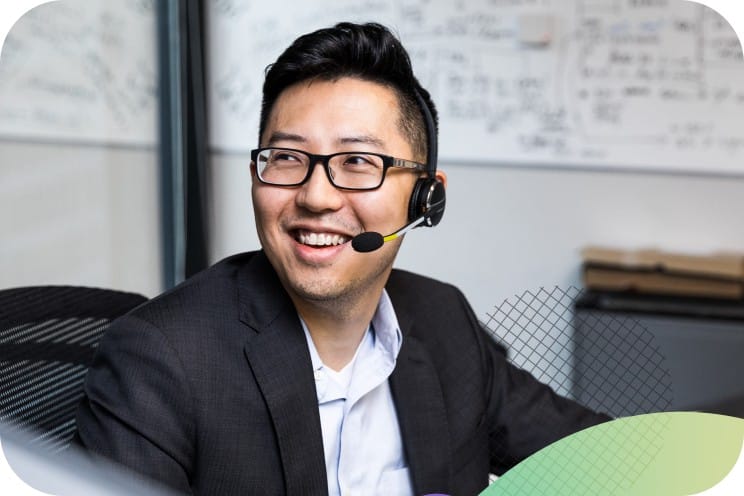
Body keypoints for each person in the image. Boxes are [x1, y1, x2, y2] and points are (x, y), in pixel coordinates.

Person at [75, 22, 609, 496]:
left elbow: (608, 462)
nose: (316, 197)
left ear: (426, 196)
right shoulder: (161, 360)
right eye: (286, 158)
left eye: (357, 161)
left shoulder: (444, 321)